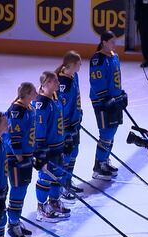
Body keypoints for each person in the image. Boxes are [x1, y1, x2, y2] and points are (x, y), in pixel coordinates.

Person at [89, 30, 128, 181]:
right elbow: (97, 82)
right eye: (112, 42)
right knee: (106, 133)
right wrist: (106, 100)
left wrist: (121, 94)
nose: (114, 44)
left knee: (112, 132)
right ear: (104, 42)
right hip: (103, 102)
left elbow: (115, 78)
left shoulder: (114, 57)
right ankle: (99, 166)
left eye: (115, 41)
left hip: (114, 100)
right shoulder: (97, 59)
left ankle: (105, 160)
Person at [3, 82, 37, 237]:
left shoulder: (28, 108)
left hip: (25, 156)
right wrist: (20, 158)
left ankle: (15, 221)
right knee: (17, 190)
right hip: (16, 159)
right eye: (34, 92)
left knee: (22, 189)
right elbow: (13, 137)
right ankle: (12, 227)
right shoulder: (17, 111)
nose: (36, 94)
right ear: (27, 94)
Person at [33, 71, 70, 222]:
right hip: (48, 148)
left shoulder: (56, 98)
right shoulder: (41, 104)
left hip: (58, 146)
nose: (57, 83)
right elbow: (39, 130)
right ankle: (41, 207)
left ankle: (53, 202)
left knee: (58, 175)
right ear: (46, 83)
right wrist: (41, 152)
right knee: (45, 178)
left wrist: (66, 139)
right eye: (54, 81)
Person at [55, 50, 84, 196]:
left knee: (74, 152)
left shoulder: (74, 76)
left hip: (74, 123)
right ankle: (61, 186)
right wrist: (67, 124)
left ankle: (68, 180)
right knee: (66, 155)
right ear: (71, 64)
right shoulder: (61, 83)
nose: (81, 66)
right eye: (79, 63)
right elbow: (61, 107)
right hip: (65, 127)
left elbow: (75, 99)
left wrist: (79, 113)